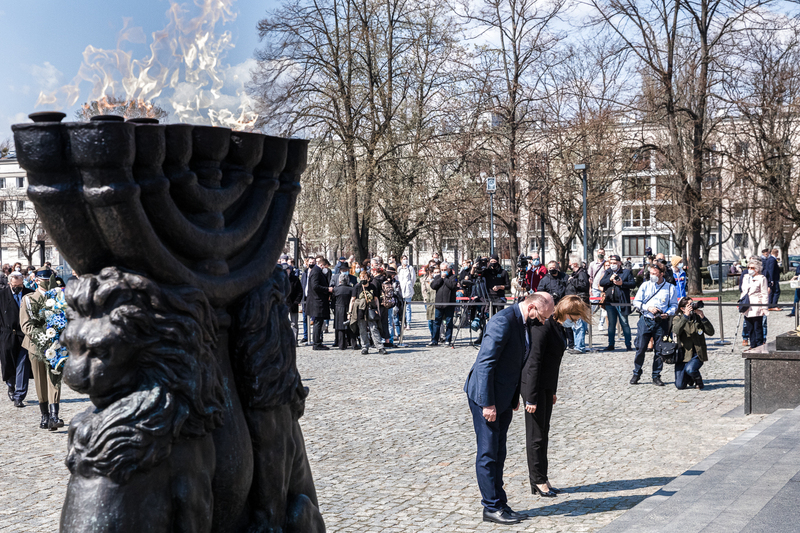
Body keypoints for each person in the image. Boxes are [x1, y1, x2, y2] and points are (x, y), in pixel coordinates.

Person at [463, 293, 545, 525]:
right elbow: (485, 364)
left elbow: (517, 359)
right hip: (486, 397)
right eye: (542, 316)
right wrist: (487, 403)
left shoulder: (522, 321)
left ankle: (500, 502)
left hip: (504, 396)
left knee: (500, 451)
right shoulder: (502, 321)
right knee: (488, 452)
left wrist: (514, 395)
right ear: (531, 308)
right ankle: (490, 507)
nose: (542, 322)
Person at [522, 294, 590, 498]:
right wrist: (531, 397)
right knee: (535, 436)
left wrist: (552, 391)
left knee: (544, 433)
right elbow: (534, 364)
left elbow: (553, 365)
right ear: (566, 312)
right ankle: (537, 480)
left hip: (545, 387)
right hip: (534, 388)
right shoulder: (543, 327)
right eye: (575, 317)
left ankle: (543, 476)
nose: (575, 322)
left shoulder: (557, 327)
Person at [21, 269, 63, 430]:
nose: (48, 281)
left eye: (50, 279)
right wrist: (43, 338)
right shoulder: (29, 299)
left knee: (55, 380)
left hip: (56, 346)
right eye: (45, 279)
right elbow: (26, 325)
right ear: (37, 280)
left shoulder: (59, 298)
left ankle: (55, 415)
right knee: (40, 381)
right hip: (36, 346)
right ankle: (45, 415)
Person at [630, 262, 678, 386]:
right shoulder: (645, 286)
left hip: (661, 322)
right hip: (646, 319)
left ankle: (656, 375)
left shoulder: (670, 288)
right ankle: (636, 373)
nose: (652, 276)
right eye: (650, 273)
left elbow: (674, 305)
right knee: (640, 348)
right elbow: (636, 302)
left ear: (661, 274)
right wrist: (648, 307)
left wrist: (667, 313)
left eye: (654, 274)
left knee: (659, 350)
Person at [1, 271, 33, 407]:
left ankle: (19, 395)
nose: (18, 288)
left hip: (24, 335)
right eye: (15, 285)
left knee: (23, 363)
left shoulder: (29, 293)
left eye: (20, 285)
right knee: (9, 362)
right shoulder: (2, 295)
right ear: (9, 283)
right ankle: (10, 385)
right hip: (7, 335)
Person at [672, 297, 714, 390]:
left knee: (690, 369)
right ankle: (690, 377)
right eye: (689, 305)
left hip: (697, 353)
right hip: (683, 355)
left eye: (692, 304)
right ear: (682, 308)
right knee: (680, 385)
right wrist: (685, 317)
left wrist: (703, 318)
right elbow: (676, 331)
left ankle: (698, 381)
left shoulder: (698, 318)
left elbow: (711, 332)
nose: (692, 306)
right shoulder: (677, 318)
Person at [598, 255, 635, 352]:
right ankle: (611, 344)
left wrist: (622, 283)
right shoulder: (608, 272)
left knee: (624, 323)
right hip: (610, 302)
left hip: (622, 302)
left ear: (619, 263)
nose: (612, 265)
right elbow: (601, 282)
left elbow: (632, 284)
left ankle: (628, 344)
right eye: (611, 263)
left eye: (614, 263)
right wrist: (609, 279)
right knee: (611, 324)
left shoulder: (626, 272)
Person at [351, 271, 387, 355]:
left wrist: (378, 310)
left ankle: (380, 347)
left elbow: (376, 299)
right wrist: (350, 313)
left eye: (364, 277)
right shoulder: (357, 287)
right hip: (360, 310)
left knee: (374, 328)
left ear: (368, 278)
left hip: (371, 309)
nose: (363, 279)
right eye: (361, 277)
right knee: (362, 329)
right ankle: (364, 347)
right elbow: (352, 300)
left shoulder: (372, 286)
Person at [429, 262, 458, 347]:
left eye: (444, 270)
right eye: (441, 270)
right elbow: (433, 286)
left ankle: (448, 340)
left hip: (449, 304)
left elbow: (452, 286)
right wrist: (441, 279)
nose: (443, 271)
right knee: (436, 322)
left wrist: (445, 279)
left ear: (449, 269)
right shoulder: (438, 277)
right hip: (438, 304)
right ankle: (434, 340)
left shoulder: (453, 277)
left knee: (449, 322)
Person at [305, 258, 332, 351]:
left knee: (319, 322)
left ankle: (318, 342)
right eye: (326, 267)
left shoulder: (316, 271)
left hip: (318, 301)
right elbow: (315, 286)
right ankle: (316, 343)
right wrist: (327, 289)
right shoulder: (316, 272)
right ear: (322, 265)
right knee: (318, 323)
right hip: (317, 302)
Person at [742, 258, 769, 348]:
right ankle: (752, 345)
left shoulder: (762, 278)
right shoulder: (746, 277)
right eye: (749, 267)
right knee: (749, 327)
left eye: (752, 268)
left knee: (757, 327)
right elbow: (743, 291)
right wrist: (740, 302)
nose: (750, 269)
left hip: (757, 304)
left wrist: (764, 307)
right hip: (747, 305)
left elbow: (764, 293)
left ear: (757, 269)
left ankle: (759, 345)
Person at [566, 260, 590, 353]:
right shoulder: (576, 274)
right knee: (575, 325)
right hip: (574, 302)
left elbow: (583, 285)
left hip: (580, 302)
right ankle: (577, 346)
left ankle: (580, 347)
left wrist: (572, 280)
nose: (569, 264)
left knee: (579, 325)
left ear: (575, 264)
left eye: (570, 262)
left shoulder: (582, 274)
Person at [397, 256, 416, 329]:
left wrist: (410, 285)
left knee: (408, 307)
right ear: (401, 260)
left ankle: (408, 323)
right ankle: (403, 322)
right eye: (404, 259)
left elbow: (413, 278)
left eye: (406, 259)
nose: (405, 261)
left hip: (408, 289)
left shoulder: (410, 268)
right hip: (400, 289)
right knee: (401, 307)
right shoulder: (399, 268)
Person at [421, 265, 437, 338]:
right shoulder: (424, 280)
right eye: (430, 272)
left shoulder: (436, 279)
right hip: (428, 301)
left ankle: (437, 335)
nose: (431, 274)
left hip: (436, 300)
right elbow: (423, 291)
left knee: (436, 319)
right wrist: (426, 299)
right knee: (430, 319)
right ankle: (432, 334)